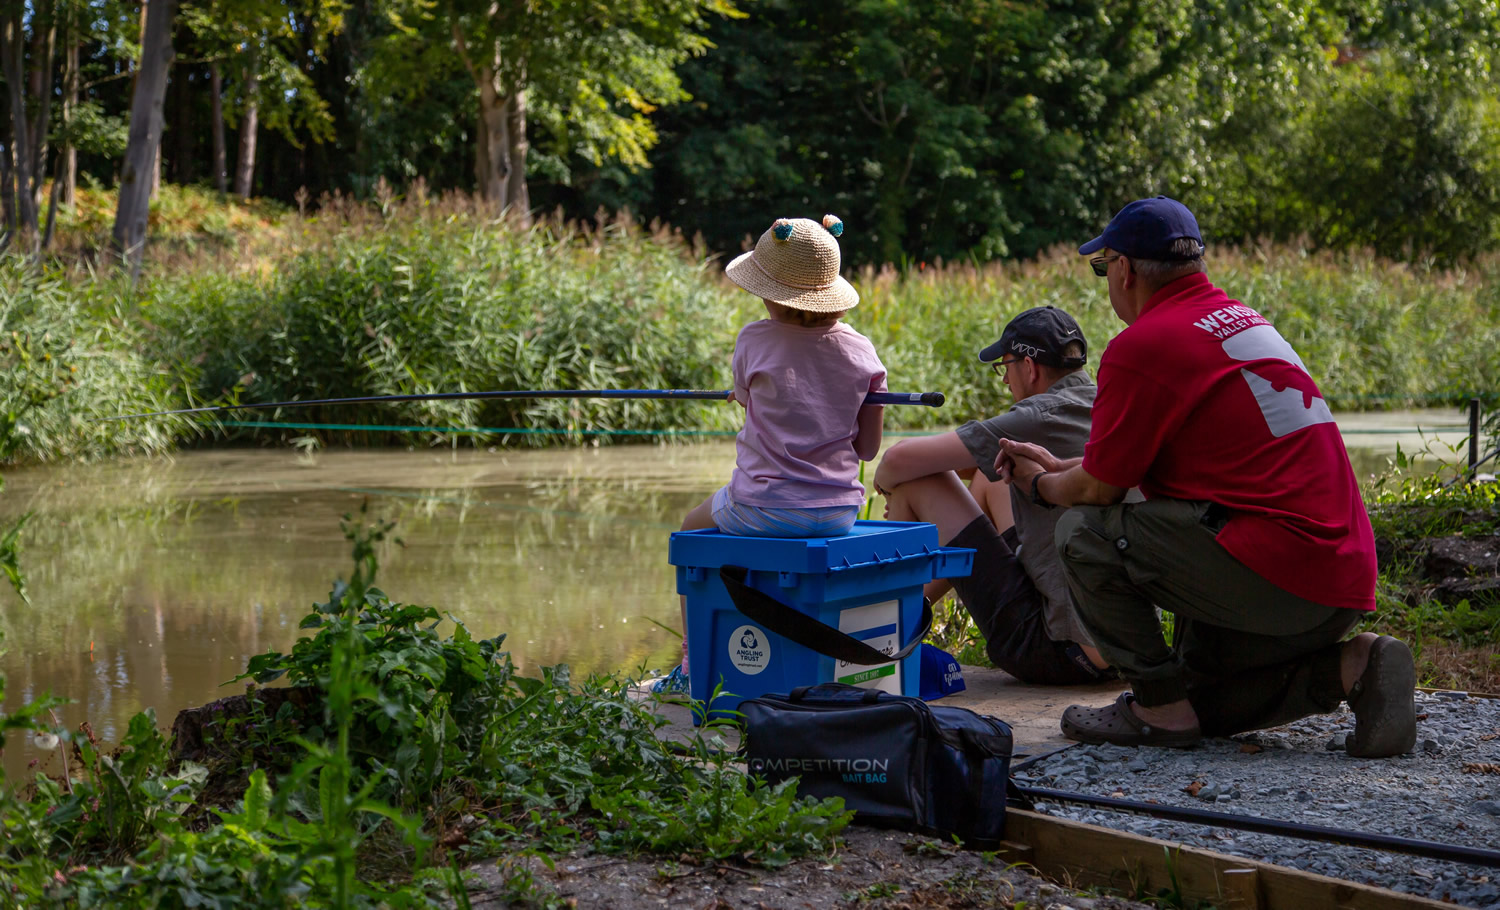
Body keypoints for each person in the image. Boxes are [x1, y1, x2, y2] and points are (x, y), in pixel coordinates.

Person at [996, 195, 1416, 758]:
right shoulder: (1243, 322)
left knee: (1083, 531)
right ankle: (1354, 666)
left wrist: (1039, 486)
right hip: (1338, 579)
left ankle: (1156, 709)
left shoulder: (1142, 346)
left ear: (1123, 269)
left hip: (1277, 573)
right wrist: (1060, 465)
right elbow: (1126, 469)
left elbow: (1098, 493)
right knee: (1200, 701)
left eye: (1103, 268)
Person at [654, 214, 886, 693]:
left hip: (761, 507)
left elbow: (745, 397)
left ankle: (691, 666)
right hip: (839, 511)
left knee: (689, 531)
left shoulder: (753, 339)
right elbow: (867, 448)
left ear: (769, 292)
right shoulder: (864, 353)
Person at [872, 305, 1115, 686]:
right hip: (1121, 648)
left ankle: (882, 630)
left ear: (1030, 368)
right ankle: (911, 612)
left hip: (1054, 651)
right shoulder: (1106, 403)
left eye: (1005, 367)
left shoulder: (1036, 416)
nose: (1004, 381)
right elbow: (982, 469)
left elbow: (895, 462)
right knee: (993, 477)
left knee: (914, 481)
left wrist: (888, 487)